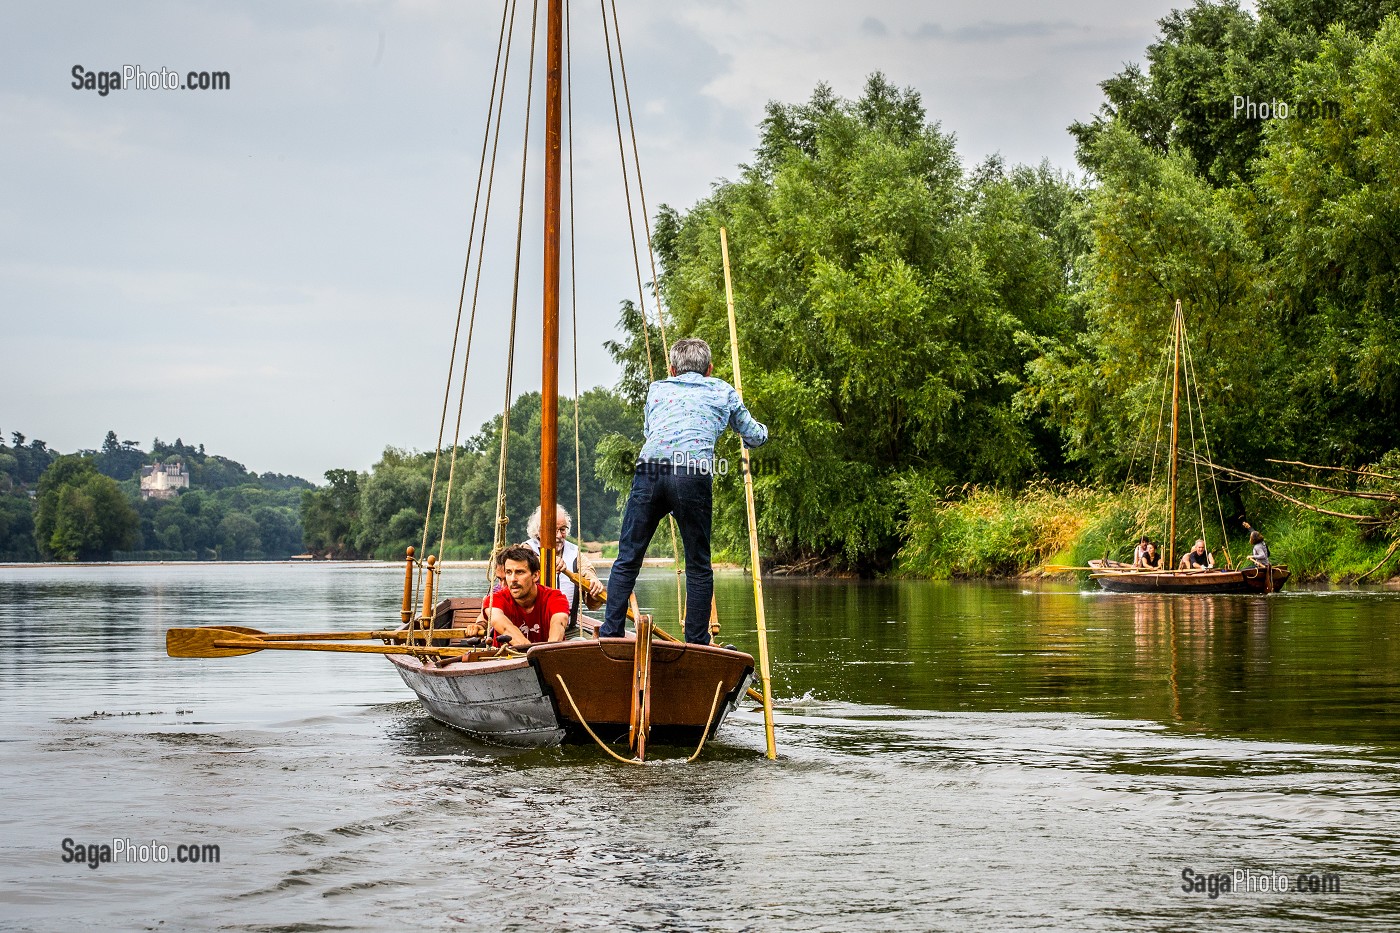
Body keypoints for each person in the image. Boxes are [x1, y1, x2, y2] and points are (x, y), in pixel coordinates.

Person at [602, 338, 768, 645]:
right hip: (692, 474)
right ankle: (696, 642)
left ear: (672, 368)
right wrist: (760, 436)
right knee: (698, 564)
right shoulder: (722, 390)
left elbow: (650, 432)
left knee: (627, 557)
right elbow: (753, 435)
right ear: (709, 369)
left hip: (650, 471)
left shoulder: (657, 389)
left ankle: (609, 634)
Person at [522, 504, 604, 630]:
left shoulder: (575, 554)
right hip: (531, 630)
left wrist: (594, 586)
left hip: (568, 631)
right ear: (539, 531)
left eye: (562, 530)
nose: (559, 535)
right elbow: (524, 561)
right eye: (553, 530)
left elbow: (592, 600)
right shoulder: (526, 549)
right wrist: (546, 561)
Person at [482, 545, 569, 647]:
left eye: (520, 572)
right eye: (509, 572)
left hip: (546, 659)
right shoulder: (494, 600)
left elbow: (558, 623)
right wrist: (534, 654)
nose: (513, 579)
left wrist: (548, 652)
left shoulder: (556, 598)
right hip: (505, 660)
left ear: (535, 575)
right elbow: (505, 627)